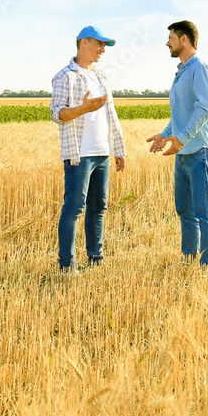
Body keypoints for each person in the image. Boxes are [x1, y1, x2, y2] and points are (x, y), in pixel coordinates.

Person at [50, 25, 126, 272]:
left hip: (102, 152)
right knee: (73, 209)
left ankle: (96, 260)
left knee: (98, 208)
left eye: (105, 45)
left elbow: (111, 114)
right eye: (99, 44)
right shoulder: (65, 76)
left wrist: (118, 149)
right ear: (84, 43)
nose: (103, 49)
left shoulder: (102, 76)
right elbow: (57, 113)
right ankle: (67, 265)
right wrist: (83, 108)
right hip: (79, 154)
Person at [146, 20, 208, 267]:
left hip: (199, 149)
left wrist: (182, 138)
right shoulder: (183, 71)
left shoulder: (201, 68)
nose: (167, 43)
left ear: (184, 39)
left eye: (171, 38)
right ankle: (189, 259)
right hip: (183, 151)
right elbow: (182, 113)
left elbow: (204, 109)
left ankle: (207, 266)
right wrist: (165, 134)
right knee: (184, 210)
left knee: (203, 211)